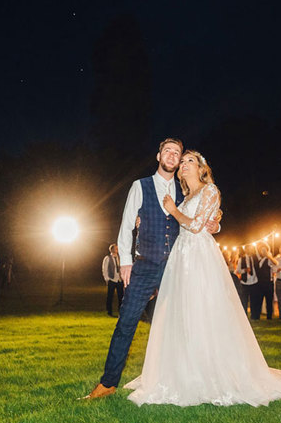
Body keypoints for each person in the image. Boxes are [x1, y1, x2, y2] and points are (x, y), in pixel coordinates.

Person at [124, 150, 281, 406]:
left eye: (190, 161)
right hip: (181, 256)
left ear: (201, 169)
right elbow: (196, 222)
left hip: (199, 256)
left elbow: (196, 226)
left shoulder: (210, 190)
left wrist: (176, 211)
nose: (184, 165)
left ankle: (213, 372)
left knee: (205, 308)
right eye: (182, 161)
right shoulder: (185, 195)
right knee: (182, 312)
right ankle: (183, 370)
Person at [87, 139, 220, 399]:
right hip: (145, 264)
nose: (173, 156)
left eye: (178, 153)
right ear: (159, 156)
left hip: (179, 266)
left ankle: (187, 378)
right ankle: (108, 383)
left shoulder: (187, 190)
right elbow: (127, 224)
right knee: (126, 322)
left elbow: (206, 213)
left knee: (184, 323)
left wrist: (216, 223)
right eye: (168, 151)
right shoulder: (141, 186)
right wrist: (125, 261)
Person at [254, 242, 278, 319]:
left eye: (264, 250)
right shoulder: (259, 259)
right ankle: (257, 316)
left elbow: (276, 263)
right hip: (260, 283)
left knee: (269, 301)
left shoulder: (269, 259)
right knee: (259, 300)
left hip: (268, 282)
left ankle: (269, 316)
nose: (263, 251)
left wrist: (269, 256)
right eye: (262, 250)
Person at [236, 244, 260, 316]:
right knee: (244, 301)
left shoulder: (255, 258)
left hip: (254, 281)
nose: (250, 250)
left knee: (254, 300)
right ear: (245, 250)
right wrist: (245, 270)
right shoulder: (241, 259)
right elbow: (238, 270)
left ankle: (254, 315)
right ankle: (244, 315)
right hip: (245, 282)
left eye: (251, 249)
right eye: (248, 249)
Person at [102, 244, 123, 317]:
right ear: (112, 250)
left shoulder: (120, 258)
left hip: (119, 280)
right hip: (112, 279)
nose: (117, 250)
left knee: (121, 296)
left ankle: (121, 311)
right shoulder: (107, 258)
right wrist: (107, 279)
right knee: (110, 296)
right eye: (115, 248)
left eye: (117, 248)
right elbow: (104, 269)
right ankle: (109, 311)